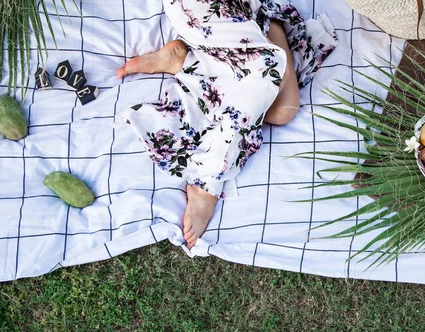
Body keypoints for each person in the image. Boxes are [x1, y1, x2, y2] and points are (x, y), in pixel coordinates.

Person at [118, 0, 337, 249]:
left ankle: (194, 58)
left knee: (282, 110)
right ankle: (208, 183)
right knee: (278, 96)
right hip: (199, 11)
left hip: (238, 13)